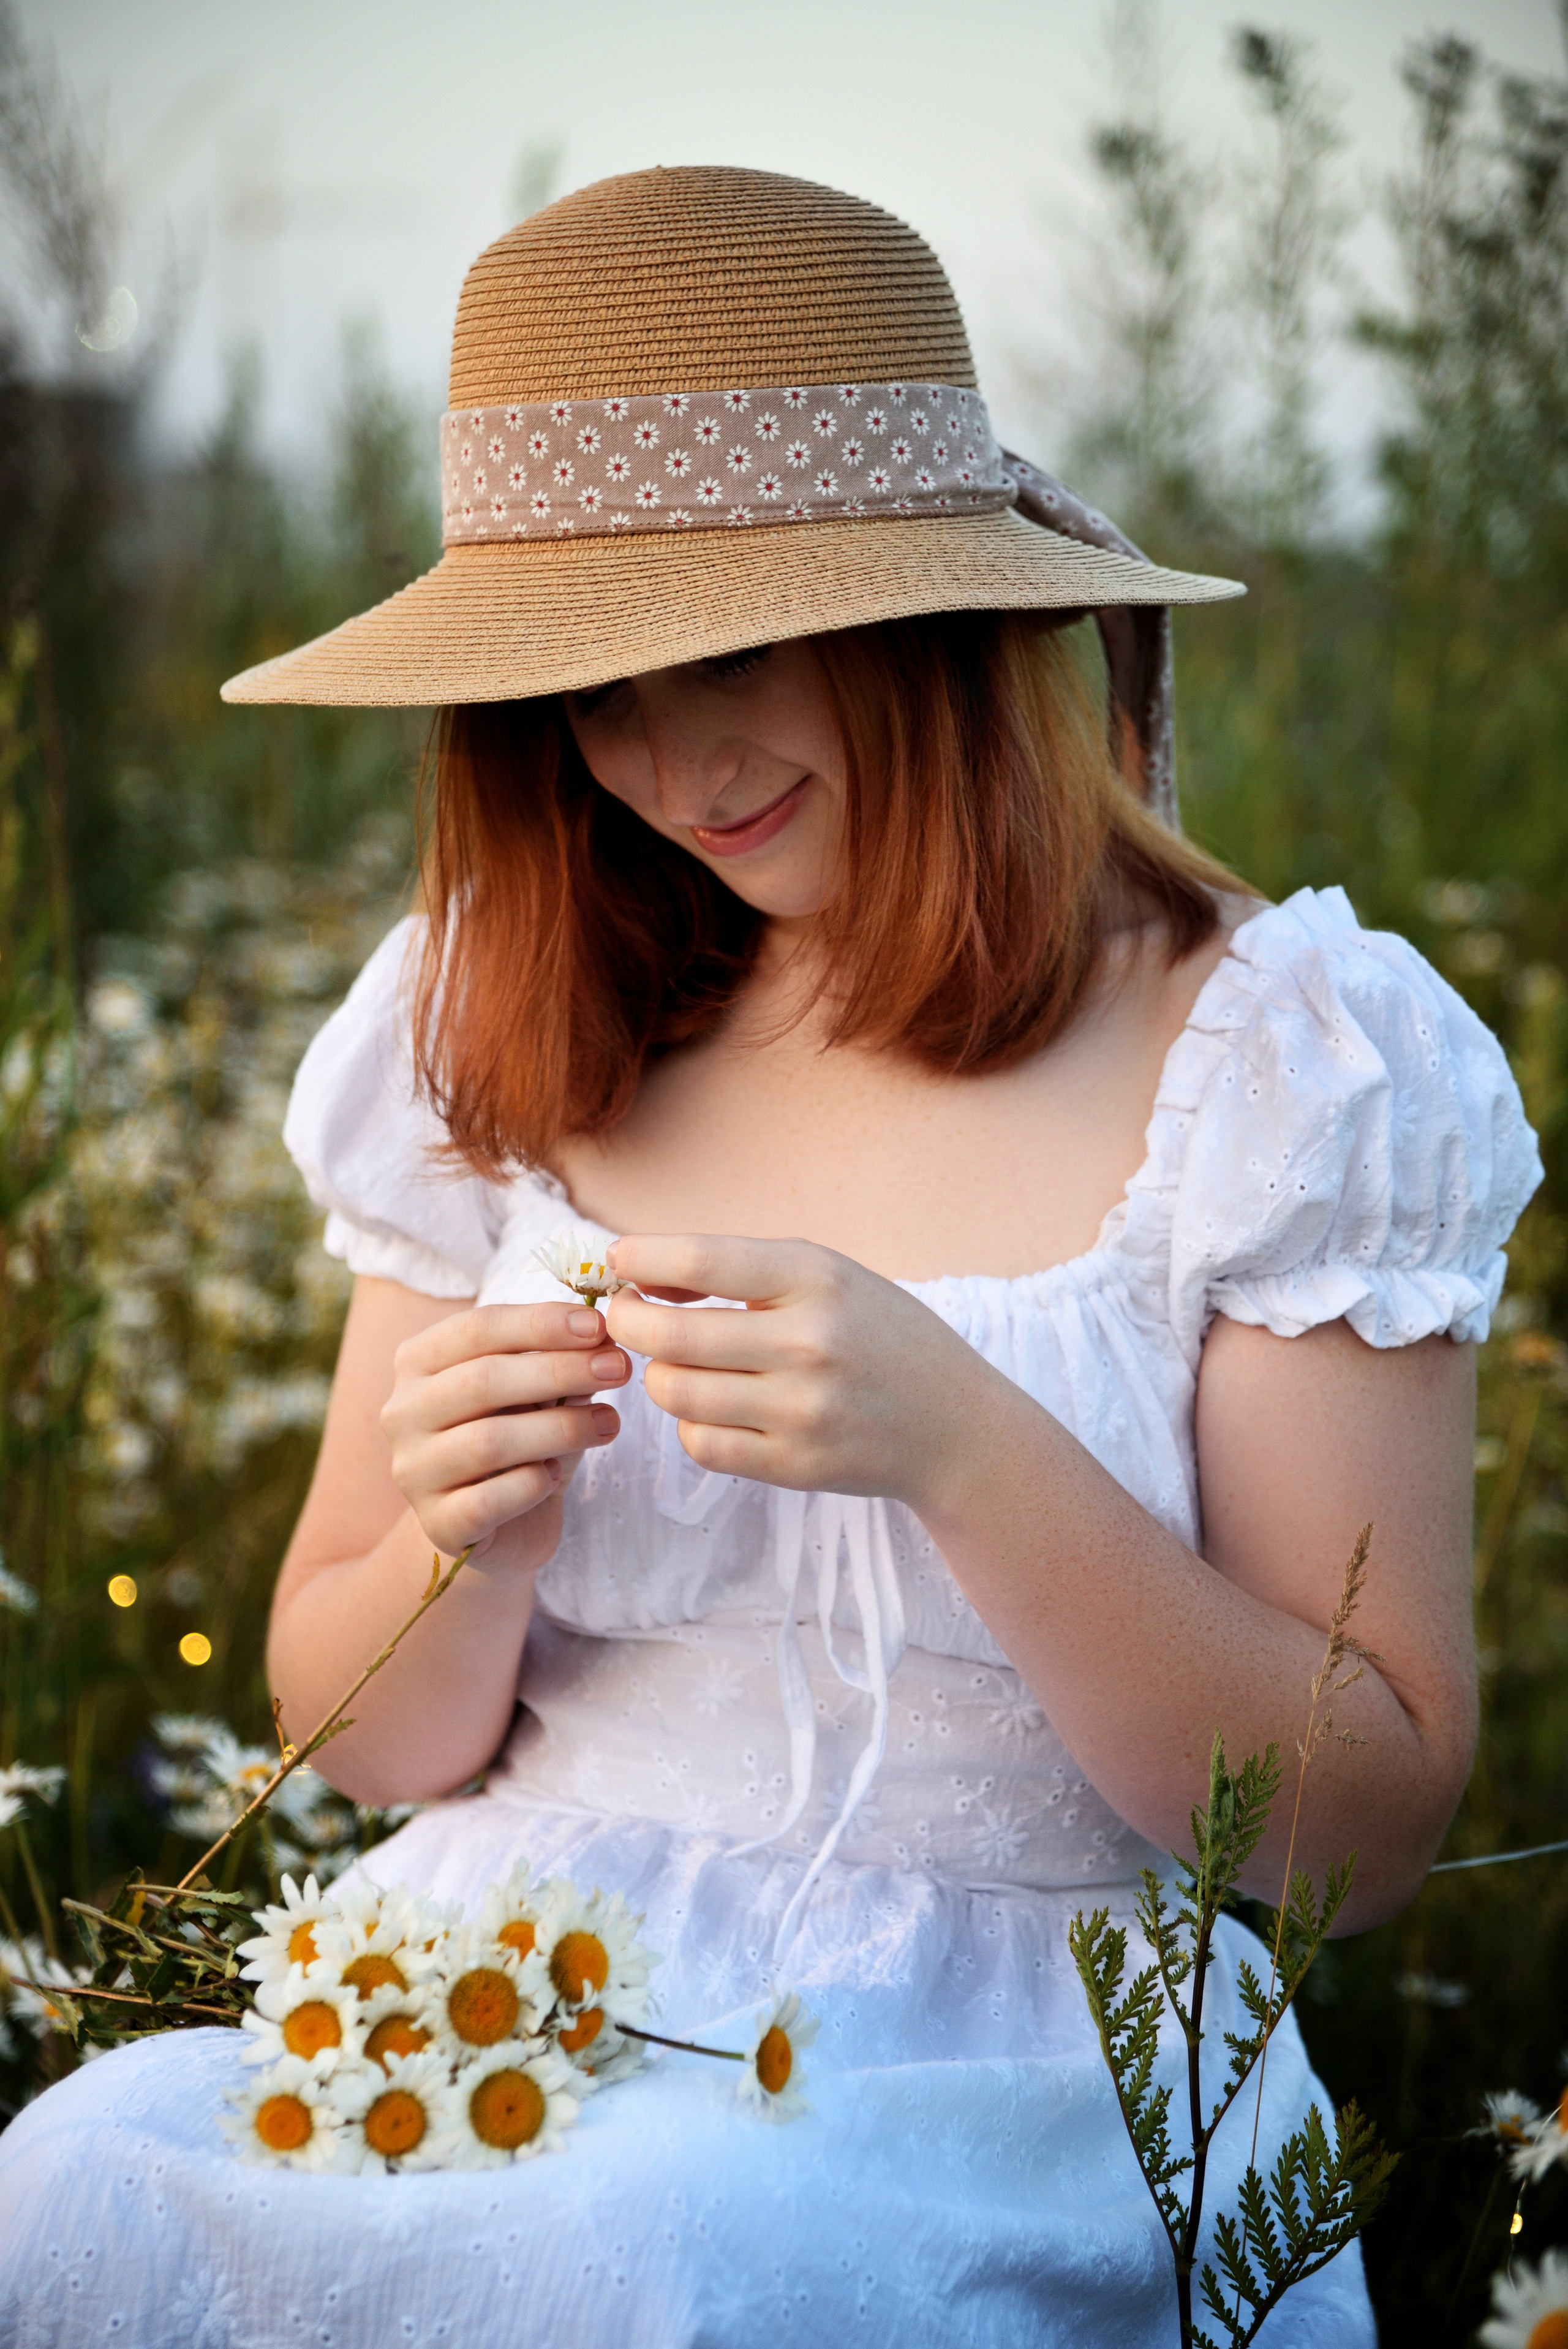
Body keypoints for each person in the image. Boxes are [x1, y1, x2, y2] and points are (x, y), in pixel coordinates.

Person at [0, 165, 1540, 2348]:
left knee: (681, 2265)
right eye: (584, 694)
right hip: (509, 1994)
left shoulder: (1281, 1065)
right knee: (65, 2191)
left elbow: (1364, 1831)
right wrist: (466, 1538)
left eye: (728, 653)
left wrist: (967, 1449)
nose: (664, 762)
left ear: (939, 615)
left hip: (1006, 2061)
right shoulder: (516, 1027)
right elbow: (360, 1734)